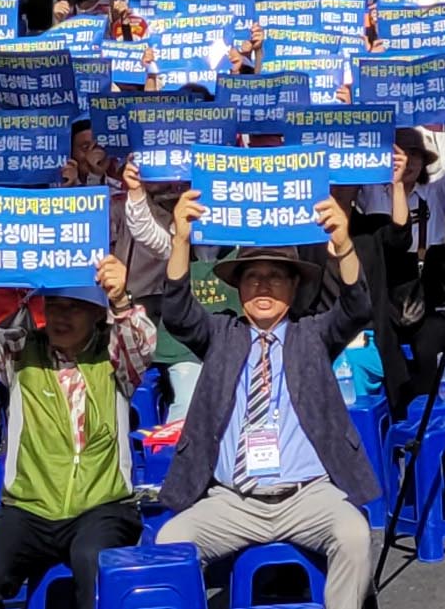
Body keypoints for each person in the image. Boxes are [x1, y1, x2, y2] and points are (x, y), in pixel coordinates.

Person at [152, 193, 375, 609]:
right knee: (169, 543)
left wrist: (343, 245)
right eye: (253, 277)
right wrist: (181, 240)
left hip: (307, 495)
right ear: (237, 289)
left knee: (355, 536)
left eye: (276, 277)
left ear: (294, 287)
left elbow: (356, 307)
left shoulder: (312, 335)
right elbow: (179, 313)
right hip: (233, 499)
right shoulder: (222, 334)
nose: (264, 287)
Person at [0, 256, 154, 609]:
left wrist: (121, 300)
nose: (61, 317)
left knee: (95, 562)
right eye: (55, 306)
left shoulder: (114, 355)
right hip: (30, 507)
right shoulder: (21, 351)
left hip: (101, 505)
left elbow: (142, 342)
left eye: (75, 308)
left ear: (96, 313)